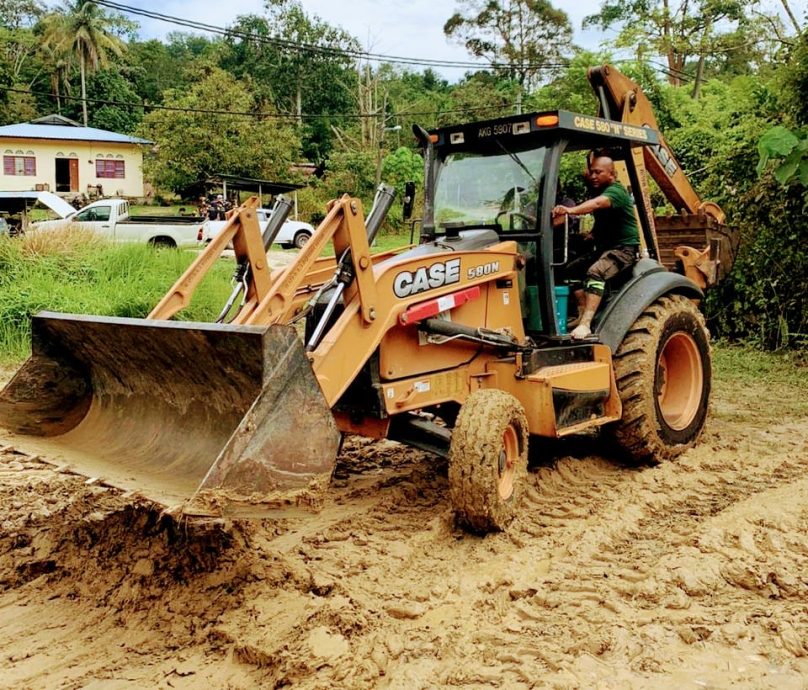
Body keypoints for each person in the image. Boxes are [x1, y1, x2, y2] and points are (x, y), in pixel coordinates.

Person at [552, 156, 640, 339]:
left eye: (598, 172)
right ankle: (581, 314)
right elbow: (605, 219)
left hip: (623, 250)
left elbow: (598, 204)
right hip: (604, 248)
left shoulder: (615, 191)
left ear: (612, 174)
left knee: (596, 272)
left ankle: (586, 324)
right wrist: (590, 235)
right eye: (591, 172)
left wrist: (570, 210)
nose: (593, 176)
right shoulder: (598, 190)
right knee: (570, 270)